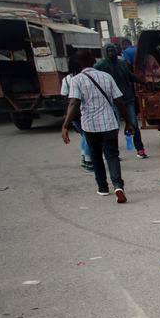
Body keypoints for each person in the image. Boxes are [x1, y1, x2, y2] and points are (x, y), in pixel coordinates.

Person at [61, 49, 134, 204]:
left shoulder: (77, 80)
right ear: (93, 60)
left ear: (79, 63)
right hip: (109, 123)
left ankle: (102, 187)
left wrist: (65, 125)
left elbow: (74, 103)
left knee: (96, 156)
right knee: (112, 155)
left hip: (90, 125)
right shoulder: (106, 77)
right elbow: (119, 101)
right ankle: (118, 186)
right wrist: (129, 122)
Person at [95, 43, 148, 159]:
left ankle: (140, 149)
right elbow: (93, 77)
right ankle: (113, 153)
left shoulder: (122, 64)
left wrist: (144, 82)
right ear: (105, 53)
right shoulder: (100, 66)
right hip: (111, 101)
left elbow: (131, 76)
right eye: (108, 51)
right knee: (113, 127)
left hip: (127, 99)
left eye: (112, 50)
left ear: (116, 51)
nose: (111, 53)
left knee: (133, 124)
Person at [59, 56, 93, 172]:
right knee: (88, 136)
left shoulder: (67, 79)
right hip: (84, 111)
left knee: (85, 135)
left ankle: (84, 158)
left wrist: (67, 116)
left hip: (74, 114)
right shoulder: (83, 78)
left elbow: (65, 97)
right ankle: (88, 161)